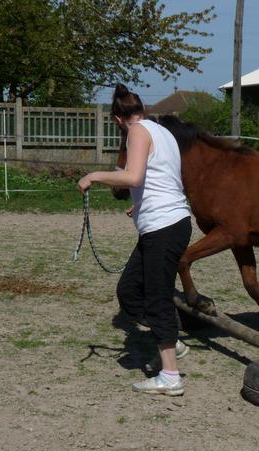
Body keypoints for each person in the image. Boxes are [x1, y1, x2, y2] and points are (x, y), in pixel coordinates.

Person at [77, 84, 192, 396]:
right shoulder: (162, 132)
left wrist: (94, 176)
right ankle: (173, 343)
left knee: (157, 298)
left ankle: (170, 376)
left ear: (118, 118)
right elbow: (162, 178)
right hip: (166, 222)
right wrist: (140, 204)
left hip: (164, 227)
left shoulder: (137, 132)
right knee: (129, 291)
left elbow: (134, 177)